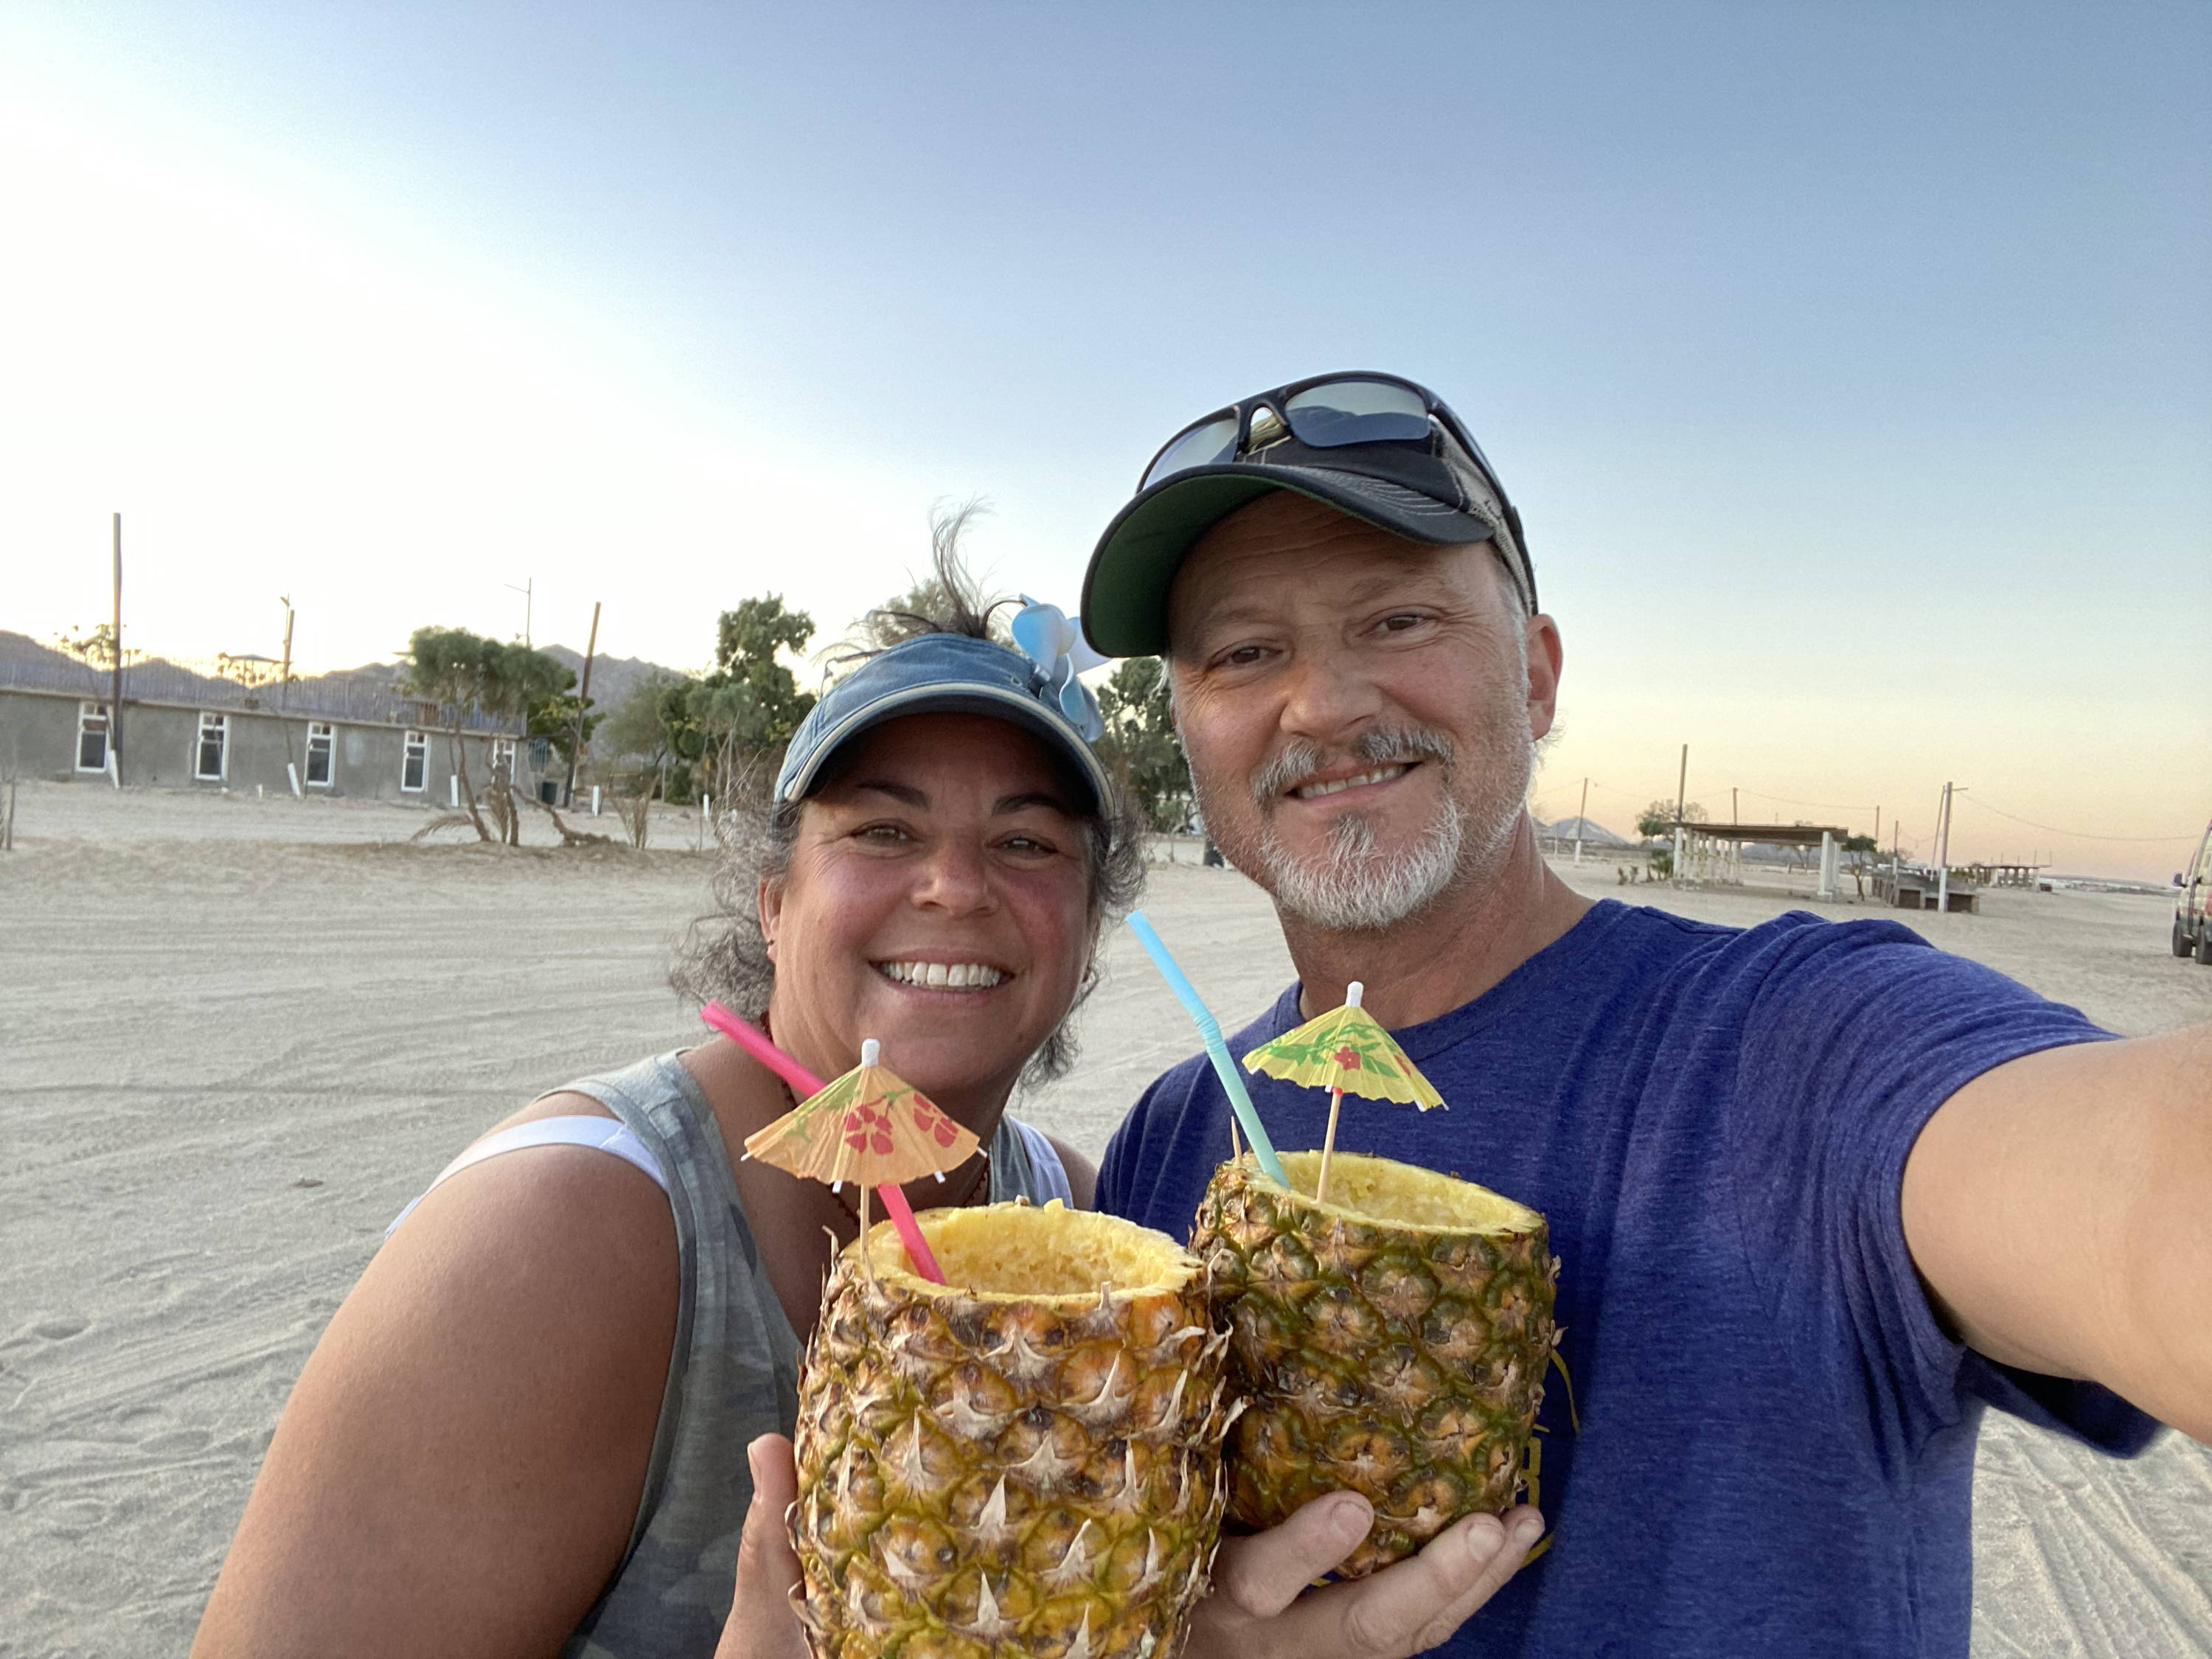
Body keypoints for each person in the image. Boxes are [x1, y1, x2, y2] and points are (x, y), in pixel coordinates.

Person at [1068, 371, 2210, 1656]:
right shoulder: (1169, 1147)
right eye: (1244, 651)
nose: (1324, 703)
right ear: (1188, 730)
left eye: (1397, 618)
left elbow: (2142, 1186)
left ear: (1539, 679)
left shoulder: (1793, 1045)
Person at [192, 550, 1142, 1657]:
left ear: (1084, 932)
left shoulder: (1083, 1228)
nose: (956, 884)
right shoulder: (558, 1235)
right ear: (776, 905)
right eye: (883, 830)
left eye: (1026, 842)